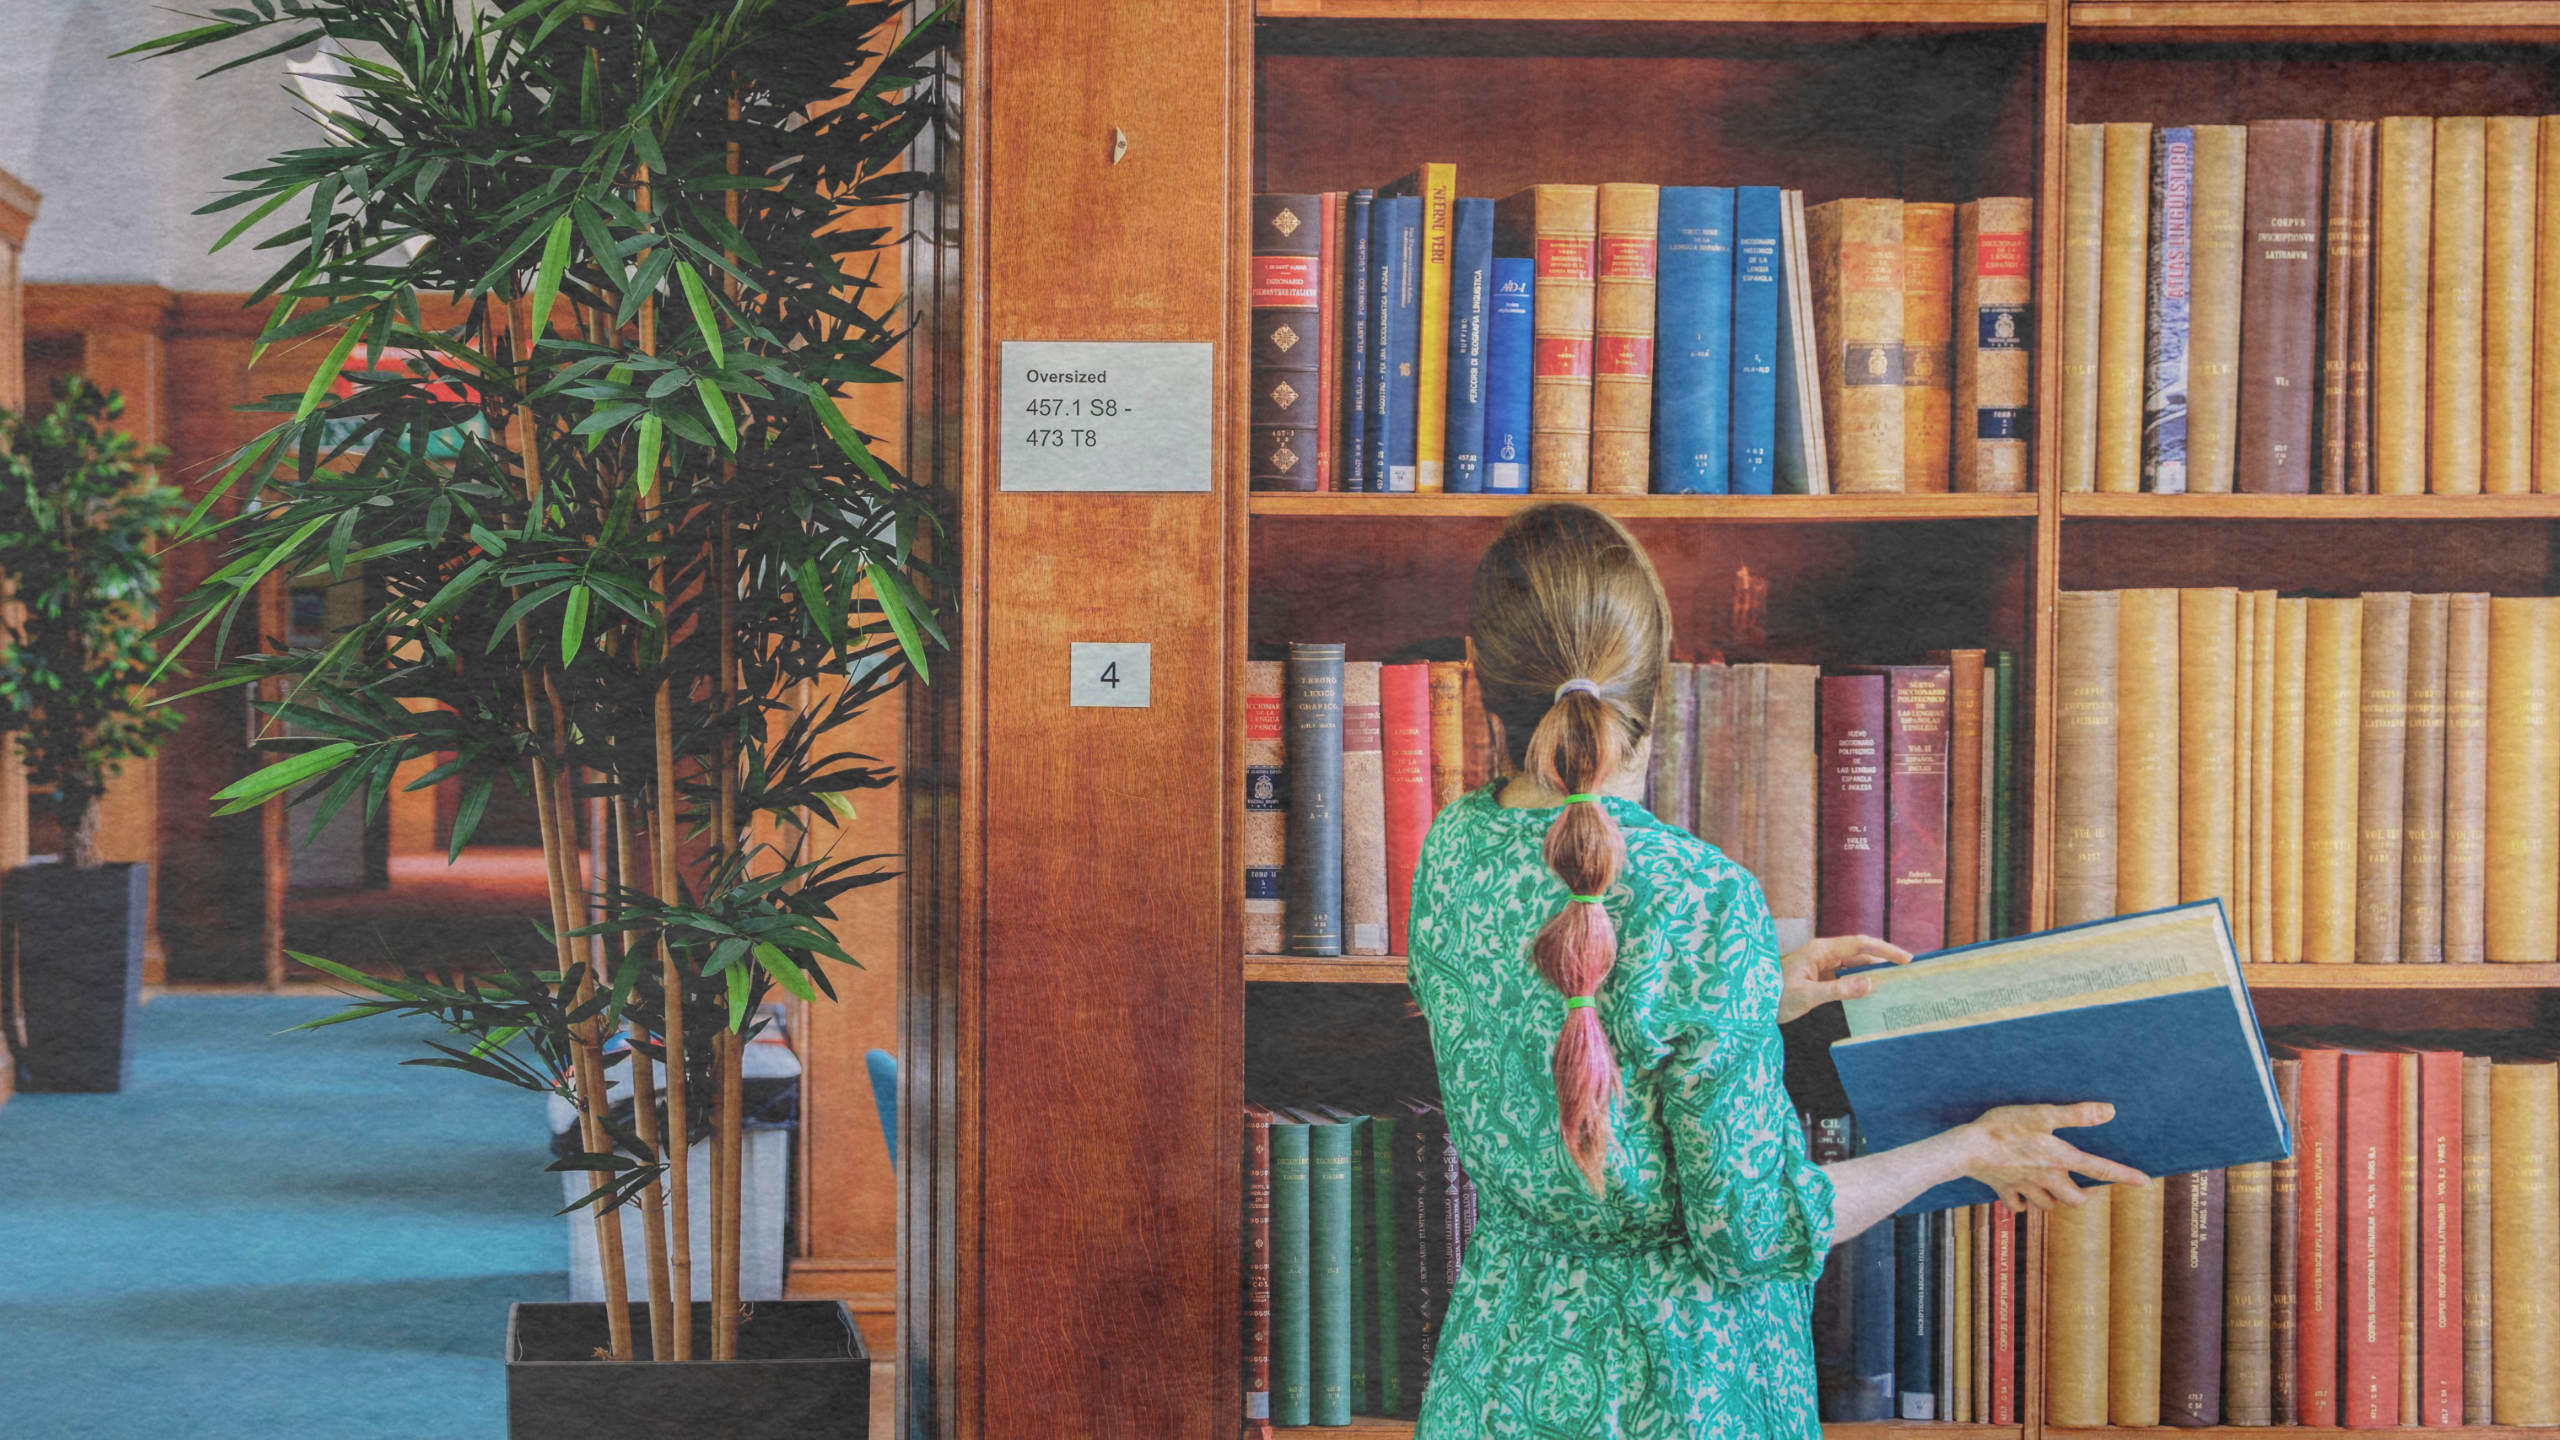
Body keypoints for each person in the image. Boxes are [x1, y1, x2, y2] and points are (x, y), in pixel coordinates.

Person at [1405, 502, 2145, 1438]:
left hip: (1496, 1383)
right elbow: (1751, 1231)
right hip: (1679, 1394)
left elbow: (1563, 1030)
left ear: (1478, 671)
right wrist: (1972, 1149)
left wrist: (1752, 998)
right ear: (1659, 682)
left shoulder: (1452, 853)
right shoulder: (1704, 898)